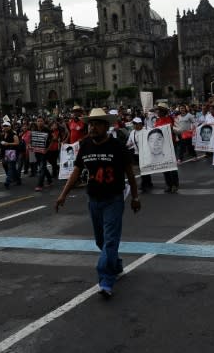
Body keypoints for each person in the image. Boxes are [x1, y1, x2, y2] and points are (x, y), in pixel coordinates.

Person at [55, 107, 141, 298]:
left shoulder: (118, 146)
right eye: (90, 124)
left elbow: (130, 174)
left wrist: (135, 198)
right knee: (101, 241)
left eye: (96, 124)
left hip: (113, 200)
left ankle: (105, 281)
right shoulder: (85, 145)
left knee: (110, 241)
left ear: (105, 126)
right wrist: (63, 195)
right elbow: (76, 172)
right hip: (93, 199)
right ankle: (116, 265)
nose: (92, 128)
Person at [154, 104, 180, 193]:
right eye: (157, 110)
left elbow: (177, 129)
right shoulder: (157, 121)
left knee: (172, 166)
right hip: (161, 146)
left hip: (170, 144)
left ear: (163, 111)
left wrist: (172, 128)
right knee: (164, 166)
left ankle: (175, 184)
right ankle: (168, 184)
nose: (157, 112)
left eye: (159, 110)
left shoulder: (170, 119)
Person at [0, 121, 20, 189]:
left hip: (11, 151)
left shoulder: (13, 134)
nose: (5, 127)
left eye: (6, 126)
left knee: (10, 167)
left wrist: (8, 143)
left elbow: (17, 143)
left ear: (10, 127)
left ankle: (7, 181)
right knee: (9, 166)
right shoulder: (3, 134)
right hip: (4, 152)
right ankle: (18, 180)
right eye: (4, 126)